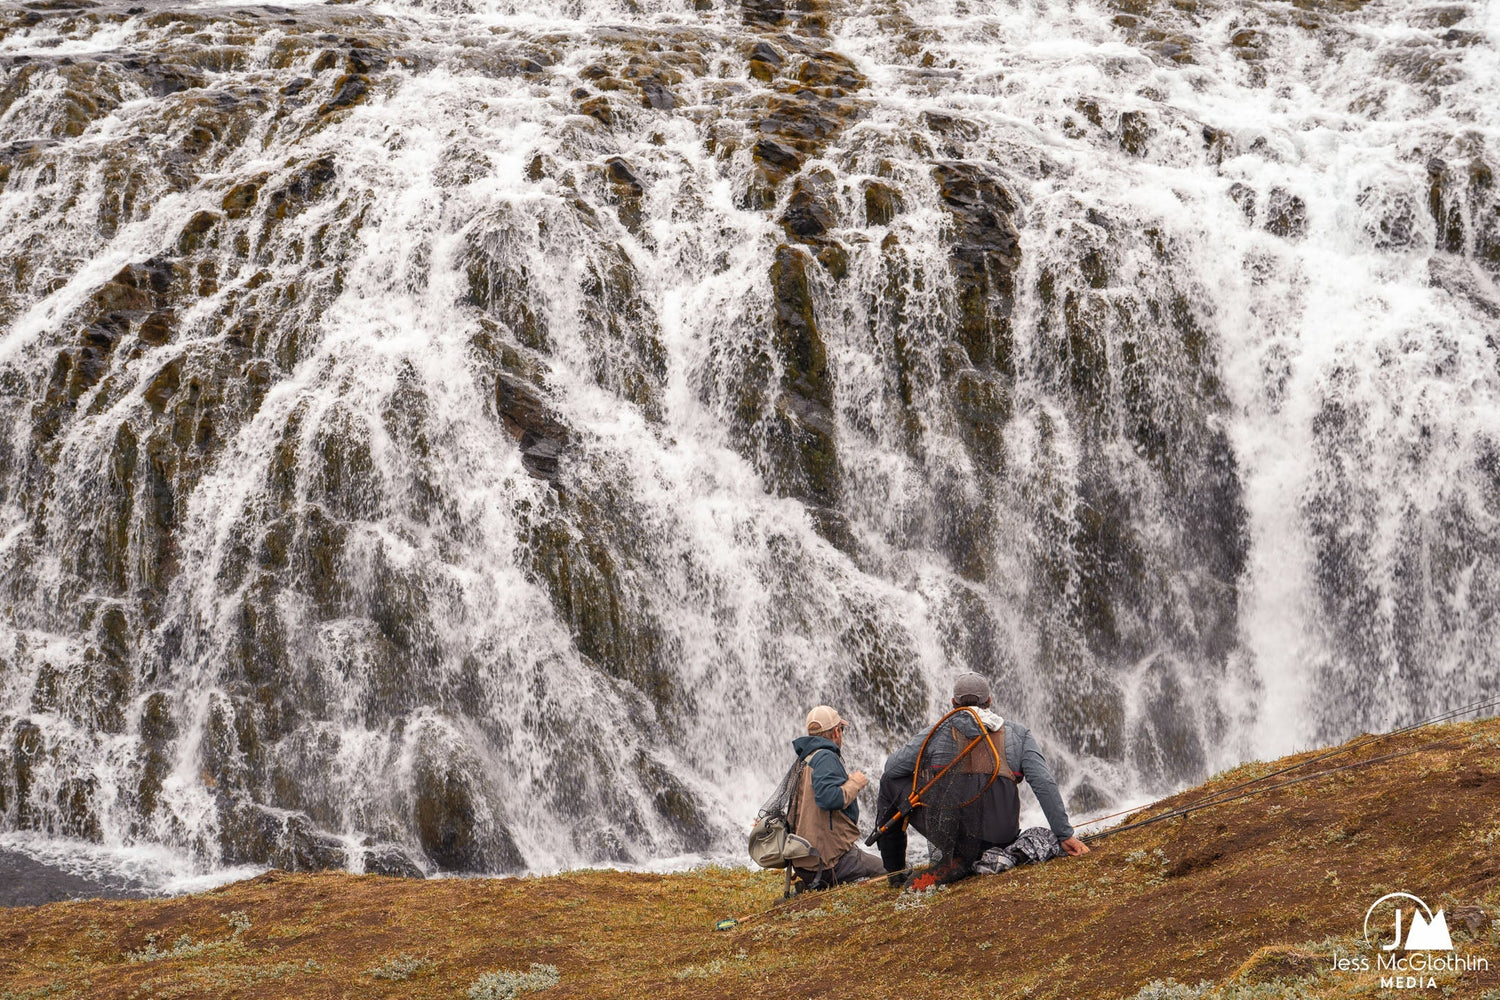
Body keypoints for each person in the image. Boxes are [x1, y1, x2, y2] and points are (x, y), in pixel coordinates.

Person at [876, 672, 1089, 888]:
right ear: (989, 701)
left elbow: (892, 768)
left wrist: (925, 772)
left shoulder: (934, 733)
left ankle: (896, 873)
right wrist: (1064, 834)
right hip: (1002, 836)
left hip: (954, 837)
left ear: (953, 704)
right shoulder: (1019, 734)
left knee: (889, 782)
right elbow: (1044, 784)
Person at [787, 705, 887, 888]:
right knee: (890, 871)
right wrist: (855, 782)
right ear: (835, 732)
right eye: (841, 729)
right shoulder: (826, 757)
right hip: (828, 863)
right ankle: (822, 883)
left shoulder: (805, 759)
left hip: (803, 862)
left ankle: (812, 885)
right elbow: (829, 799)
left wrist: (845, 782)